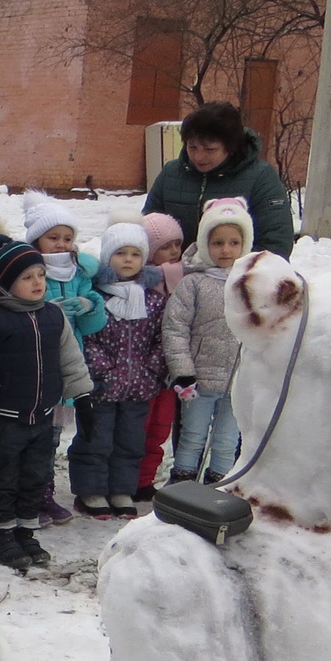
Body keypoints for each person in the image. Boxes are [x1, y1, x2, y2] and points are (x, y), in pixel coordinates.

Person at [0, 236, 94, 571]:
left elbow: (71, 359)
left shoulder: (53, 316)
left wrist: (83, 396)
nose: (37, 282)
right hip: (3, 417)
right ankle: (2, 534)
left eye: (41, 275)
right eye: (27, 277)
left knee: (35, 477)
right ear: (5, 283)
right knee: (3, 478)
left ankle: (26, 530)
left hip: (43, 415)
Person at [69, 222, 167, 519]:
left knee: (130, 441)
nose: (127, 260)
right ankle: (91, 490)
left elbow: (161, 338)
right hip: (101, 386)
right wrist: (103, 370)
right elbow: (88, 337)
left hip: (139, 386)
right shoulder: (98, 297)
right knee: (95, 439)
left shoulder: (153, 300)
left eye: (135, 254)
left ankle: (121, 489)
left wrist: (150, 370)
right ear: (108, 257)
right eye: (120, 253)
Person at [20, 193, 104, 527]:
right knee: (31, 436)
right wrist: (45, 311)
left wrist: (89, 306)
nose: (61, 244)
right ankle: (26, 496)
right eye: (53, 237)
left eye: (67, 238)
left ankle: (45, 494)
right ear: (36, 240)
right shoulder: (28, 270)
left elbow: (93, 326)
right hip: (36, 366)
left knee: (52, 438)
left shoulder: (79, 273)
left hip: (67, 367)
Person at [162, 197, 252, 484]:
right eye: (217, 243)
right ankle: (182, 484)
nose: (225, 250)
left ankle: (218, 486)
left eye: (234, 243)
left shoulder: (251, 283)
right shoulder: (194, 283)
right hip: (199, 381)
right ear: (204, 244)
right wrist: (183, 371)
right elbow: (175, 328)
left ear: (245, 244)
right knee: (193, 435)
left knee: (227, 440)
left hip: (238, 383)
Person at [143, 100, 296, 257]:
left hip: (236, 270)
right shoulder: (171, 172)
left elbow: (276, 242)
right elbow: (149, 227)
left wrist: (231, 268)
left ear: (231, 147)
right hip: (175, 269)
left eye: (210, 149)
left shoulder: (261, 177)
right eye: (192, 147)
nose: (198, 157)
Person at [136, 212, 187, 498]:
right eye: (166, 246)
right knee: (139, 427)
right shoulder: (138, 283)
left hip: (170, 369)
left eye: (177, 244)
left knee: (160, 427)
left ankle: (145, 480)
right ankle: (128, 478)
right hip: (141, 370)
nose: (174, 251)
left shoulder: (186, 279)